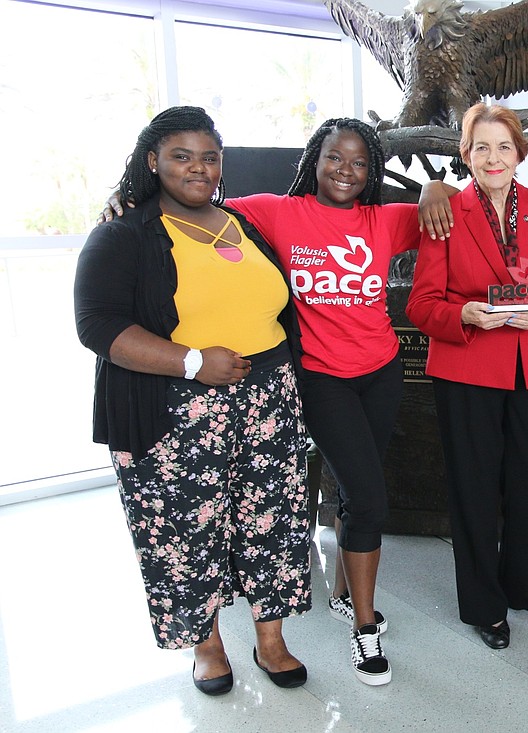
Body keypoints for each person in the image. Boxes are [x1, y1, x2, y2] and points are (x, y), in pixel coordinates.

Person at [102, 117, 455, 687]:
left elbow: (452, 210)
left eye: (360, 162)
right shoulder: (273, 212)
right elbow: (190, 200)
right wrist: (122, 196)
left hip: (380, 372)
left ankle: (341, 594)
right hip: (318, 377)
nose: (346, 170)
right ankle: (364, 628)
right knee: (367, 495)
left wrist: (436, 188)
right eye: (334, 158)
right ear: (314, 160)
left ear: (373, 173)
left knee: (345, 491)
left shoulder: (386, 218)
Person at [75, 106, 311, 696]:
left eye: (209, 157)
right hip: (174, 411)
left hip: (269, 401)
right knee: (184, 529)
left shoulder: (240, 223)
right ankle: (206, 647)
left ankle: (271, 639)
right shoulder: (123, 233)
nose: (198, 169)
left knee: (274, 521)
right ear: (152, 161)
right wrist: (192, 361)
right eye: (181, 156)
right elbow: (98, 326)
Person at [406, 103, 528, 650]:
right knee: (473, 488)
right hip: (468, 366)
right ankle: (483, 604)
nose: (494, 157)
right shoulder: (446, 214)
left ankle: (519, 585)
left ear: (520, 153)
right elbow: (423, 305)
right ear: (466, 156)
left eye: (504, 147)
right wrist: (466, 315)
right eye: (482, 148)